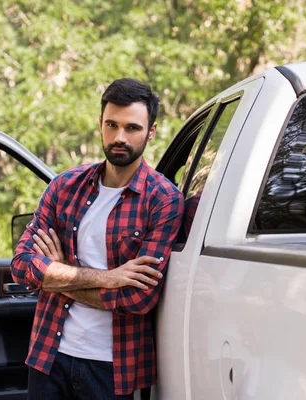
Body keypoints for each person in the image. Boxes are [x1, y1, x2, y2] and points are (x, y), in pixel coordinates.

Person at [11, 78, 185, 399]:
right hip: (49, 355)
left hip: (111, 368)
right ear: (100, 124)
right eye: (111, 125)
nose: (119, 137)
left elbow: (138, 299)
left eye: (132, 128)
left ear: (151, 131)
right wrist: (109, 278)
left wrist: (59, 276)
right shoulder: (65, 186)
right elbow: (22, 267)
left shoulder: (163, 200)